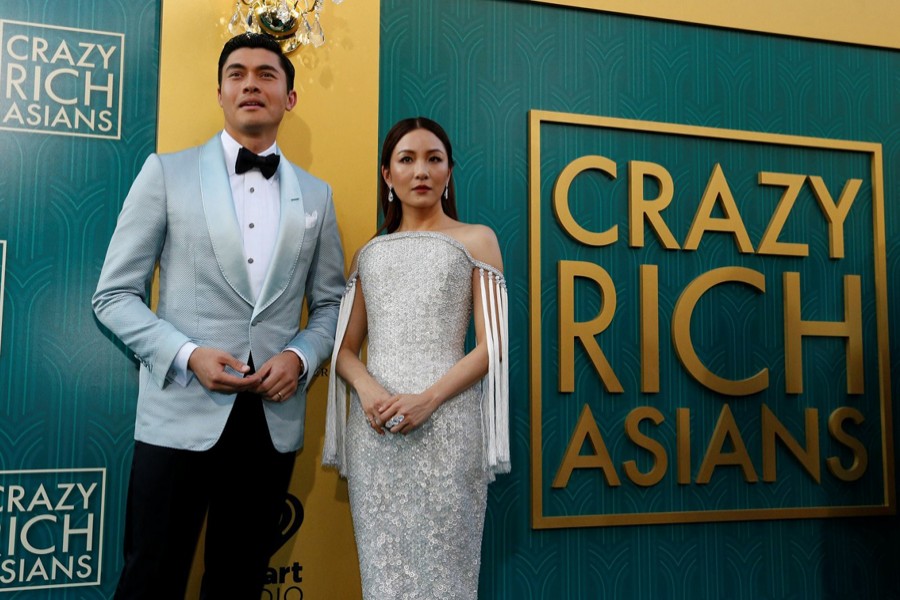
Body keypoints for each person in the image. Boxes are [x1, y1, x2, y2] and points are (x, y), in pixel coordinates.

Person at [92, 33, 345, 599]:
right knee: (151, 579)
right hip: (179, 412)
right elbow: (113, 295)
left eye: (266, 74)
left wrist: (300, 356)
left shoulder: (318, 196)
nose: (251, 83)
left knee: (239, 583)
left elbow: (331, 303)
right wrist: (187, 355)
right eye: (237, 74)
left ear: (290, 98)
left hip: (270, 421)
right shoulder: (166, 173)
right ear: (220, 93)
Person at [323, 116, 510, 598]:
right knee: (383, 578)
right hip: (376, 430)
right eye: (407, 159)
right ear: (388, 174)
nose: (421, 171)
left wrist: (428, 399)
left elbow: (492, 346)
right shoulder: (369, 254)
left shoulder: (478, 240)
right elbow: (344, 350)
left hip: (449, 426)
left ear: (450, 171)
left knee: (447, 577)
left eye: (434, 159)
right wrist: (368, 390)